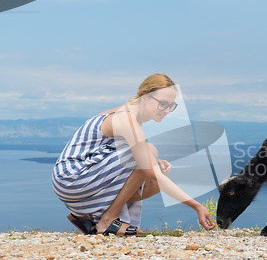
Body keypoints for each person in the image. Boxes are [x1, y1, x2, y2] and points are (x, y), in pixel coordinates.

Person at [52, 73, 215, 235]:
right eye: (163, 104)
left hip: (76, 183)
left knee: (154, 180)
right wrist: (197, 206)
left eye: (171, 106)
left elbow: (109, 153)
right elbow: (149, 170)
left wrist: (154, 161)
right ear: (144, 97)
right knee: (150, 154)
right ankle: (108, 219)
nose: (166, 110)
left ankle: (88, 218)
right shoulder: (127, 119)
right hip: (72, 178)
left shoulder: (131, 117)